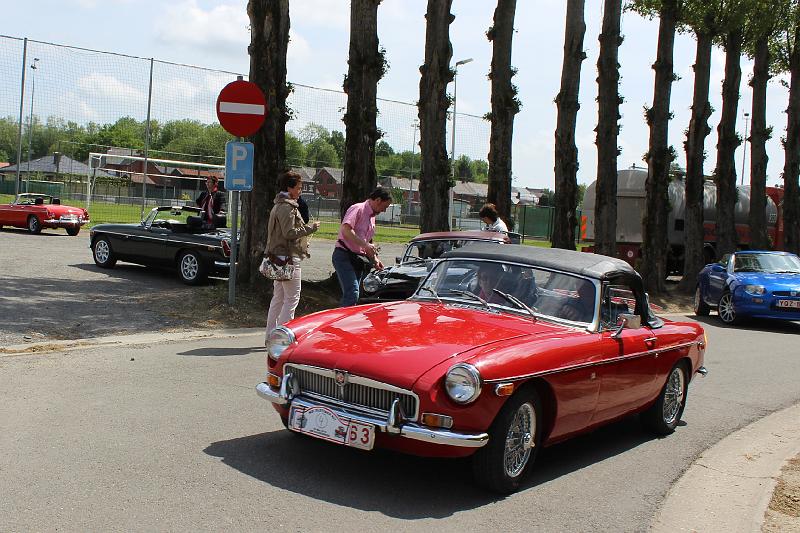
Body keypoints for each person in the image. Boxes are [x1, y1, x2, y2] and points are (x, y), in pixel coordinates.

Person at [265, 171, 320, 334]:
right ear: (289, 188)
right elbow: (289, 233)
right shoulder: (287, 206)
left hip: (277, 256)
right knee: (291, 298)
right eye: (299, 188)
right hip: (287, 257)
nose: (300, 191)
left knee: (279, 297)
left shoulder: (278, 204)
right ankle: (282, 336)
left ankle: (271, 334)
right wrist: (311, 228)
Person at [332, 187, 392, 306]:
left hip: (358, 259)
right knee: (352, 293)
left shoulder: (372, 217)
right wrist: (365, 244)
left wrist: (375, 260)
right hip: (344, 255)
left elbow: (366, 242)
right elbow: (346, 230)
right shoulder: (358, 209)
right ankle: (341, 323)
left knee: (356, 294)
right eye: (384, 207)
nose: (384, 211)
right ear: (378, 200)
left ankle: (347, 320)